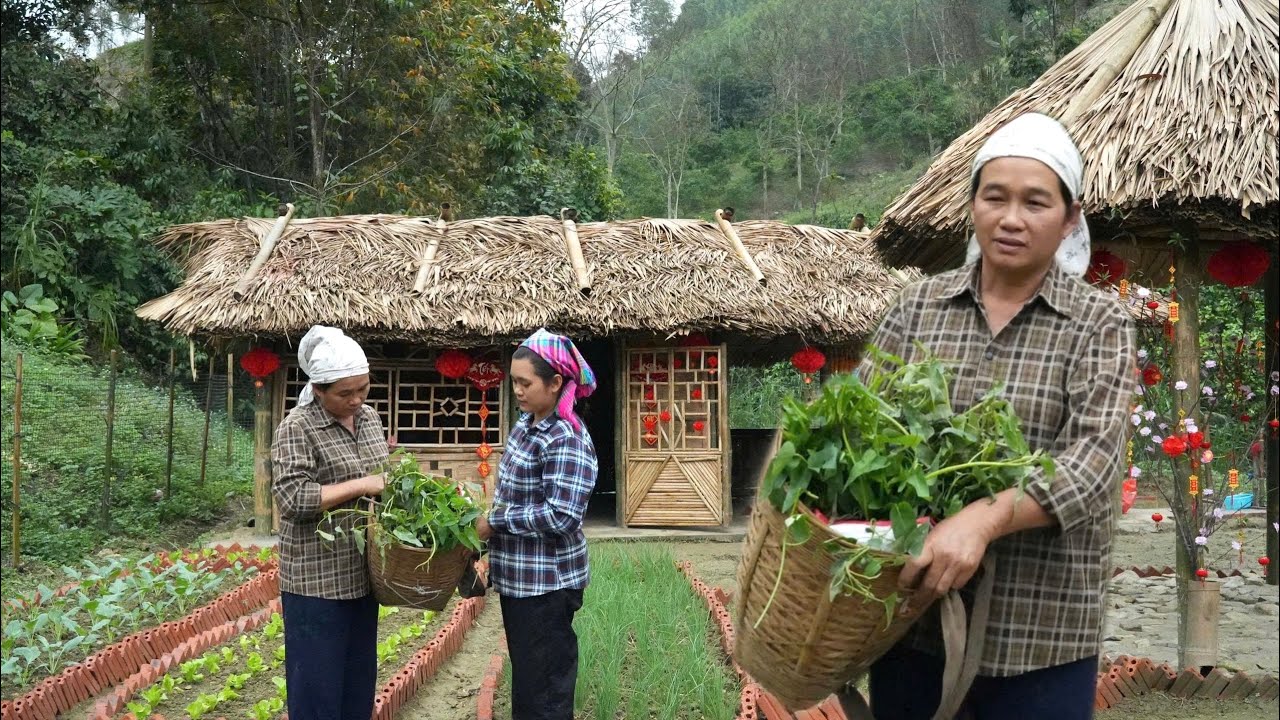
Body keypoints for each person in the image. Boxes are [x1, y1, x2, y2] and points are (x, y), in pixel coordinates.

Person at [845, 113, 1135, 719]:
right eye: (994, 196)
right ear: (973, 204)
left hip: (1042, 631)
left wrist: (982, 519)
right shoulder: (919, 307)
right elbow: (862, 425)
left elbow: (1092, 462)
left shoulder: (1099, 324)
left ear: (1069, 218)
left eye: (1036, 202)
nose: (1011, 218)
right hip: (914, 620)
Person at [476, 328, 598, 720]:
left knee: (544, 693)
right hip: (520, 581)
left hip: (547, 585)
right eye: (514, 380)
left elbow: (562, 515)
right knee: (530, 686)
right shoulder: (527, 425)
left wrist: (494, 523)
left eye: (525, 382)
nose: (518, 390)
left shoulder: (566, 437)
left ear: (556, 382)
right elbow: (512, 495)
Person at [271, 325, 388, 720]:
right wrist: (363, 485)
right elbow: (292, 499)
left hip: (361, 575)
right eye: (344, 393)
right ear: (318, 390)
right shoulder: (297, 427)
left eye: (363, 388)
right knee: (316, 692)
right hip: (315, 582)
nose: (356, 400)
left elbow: (384, 475)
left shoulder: (370, 418)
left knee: (357, 686)